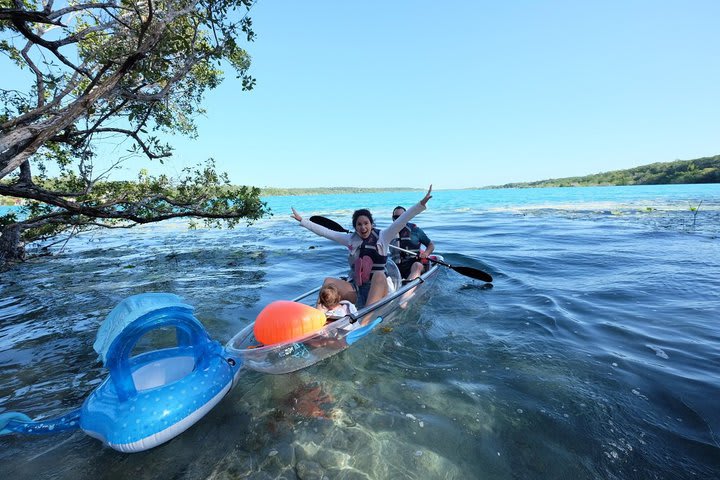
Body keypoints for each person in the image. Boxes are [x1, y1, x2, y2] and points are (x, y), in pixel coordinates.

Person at [290, 185, 433, 314]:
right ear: (355, 226)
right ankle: (317, 320)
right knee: (328, 281)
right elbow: (326, 232)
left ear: (371, 223)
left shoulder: (384, 236)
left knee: (378, 275)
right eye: (359, 224)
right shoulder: (350, 240)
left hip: (379, 289)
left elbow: (402, 220)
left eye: (366, 223)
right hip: (357, 288)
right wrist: (302, 221)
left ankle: (364, 322)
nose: (363, 227)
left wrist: (421, 204)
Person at [390, 206, 435, 283]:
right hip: (396, 268)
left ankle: (408, 286)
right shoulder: (388, 233)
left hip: (413, 266)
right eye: (396, 217)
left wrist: (426, 253)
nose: (399, 219)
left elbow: (431, 245)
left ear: (407, 217)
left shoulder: (415, 231)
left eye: (402, 217)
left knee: (417, 265)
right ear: (393, 218)